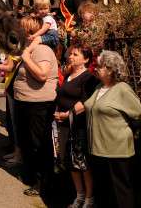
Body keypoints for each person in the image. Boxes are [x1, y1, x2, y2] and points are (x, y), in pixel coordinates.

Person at [84, 51, 141, 208]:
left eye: (100, 66)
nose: (96, 69)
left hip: (117, 151)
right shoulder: (98, 87)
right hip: (97, 150)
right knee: (103, 192)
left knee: (121, 192)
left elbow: (138, 113)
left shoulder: (122, 89)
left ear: (111, 69)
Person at [13, 16, 58, 197]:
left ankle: (43, 182)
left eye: (20, 28)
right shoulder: (28, 48)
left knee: (39, 143)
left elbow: (41, 75)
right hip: (24, 102)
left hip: (38, 104)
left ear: (28, 31)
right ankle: (31, 175)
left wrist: (25, 57)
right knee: (26, 141)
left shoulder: (43, 50)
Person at [53, 45, 98, 208]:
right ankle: (79, 195)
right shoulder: (69, 74)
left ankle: (89, 197)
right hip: (64, 124)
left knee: (82, 162)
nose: (70, 56)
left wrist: (69, 113)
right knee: (70, 161)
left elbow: (85, 100)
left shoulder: (88, 78)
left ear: (85, 59)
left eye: (75, 54)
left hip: (78, 125)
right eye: (70, 54)